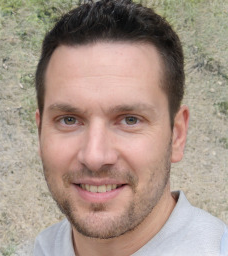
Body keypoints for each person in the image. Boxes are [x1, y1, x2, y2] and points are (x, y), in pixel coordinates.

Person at [33, 0, 228, 255]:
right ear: (40, 133)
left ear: (177, 135)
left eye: (130, 120)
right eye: (69, 120)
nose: (94, 157)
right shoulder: (43, 248)